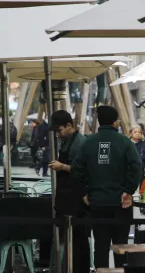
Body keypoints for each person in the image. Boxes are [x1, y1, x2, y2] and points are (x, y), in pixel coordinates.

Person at [72, 106, 142, 268]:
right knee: (121, 248)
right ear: (115, 122)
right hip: (121, 203)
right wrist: (128, 191)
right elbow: (137, 167)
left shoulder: (88, 142)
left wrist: (84, 192)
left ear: (99, 122)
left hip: (97, 202)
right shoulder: (125, 142)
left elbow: (76, 169)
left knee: (101, 247)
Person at [47, 110, 90, 272]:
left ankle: (79, 269)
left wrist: (62, 166)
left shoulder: (80, 142)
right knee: (70, 237)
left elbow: (82, 171)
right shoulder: (67, 141)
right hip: (66, 195)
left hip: (76, 197)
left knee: (78, 238)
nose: (58, 134)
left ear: (69, 125)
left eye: (59, 130)